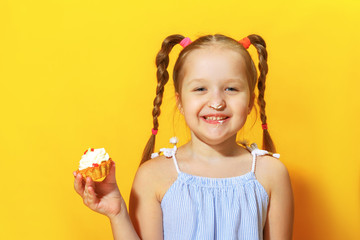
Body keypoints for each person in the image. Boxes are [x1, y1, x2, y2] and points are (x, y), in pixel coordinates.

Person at [74, 34, 294, 240]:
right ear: (179, 101)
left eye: (231, 88)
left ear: (250, 102)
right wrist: (118, 212)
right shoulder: (153, 176)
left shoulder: (271, 174)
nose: (217, 102)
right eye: (200, 89)